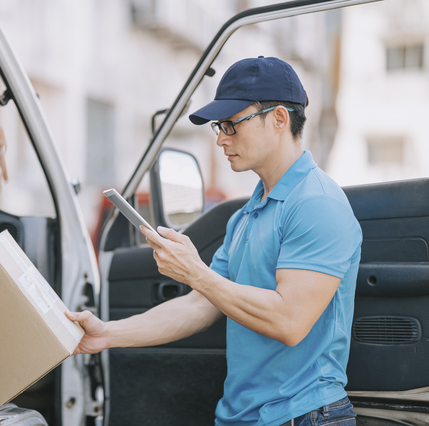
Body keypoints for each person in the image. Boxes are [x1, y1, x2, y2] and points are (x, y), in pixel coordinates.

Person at [66, 56, 362, 426]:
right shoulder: (247, 215)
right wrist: (107, 334)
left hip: (301, 415)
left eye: (231, 125)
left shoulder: (316, 204)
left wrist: (197, 273)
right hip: (242, 417)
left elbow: (289, 321)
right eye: (218, 127)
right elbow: (196, 308)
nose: (222, 138)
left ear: (280, 119)